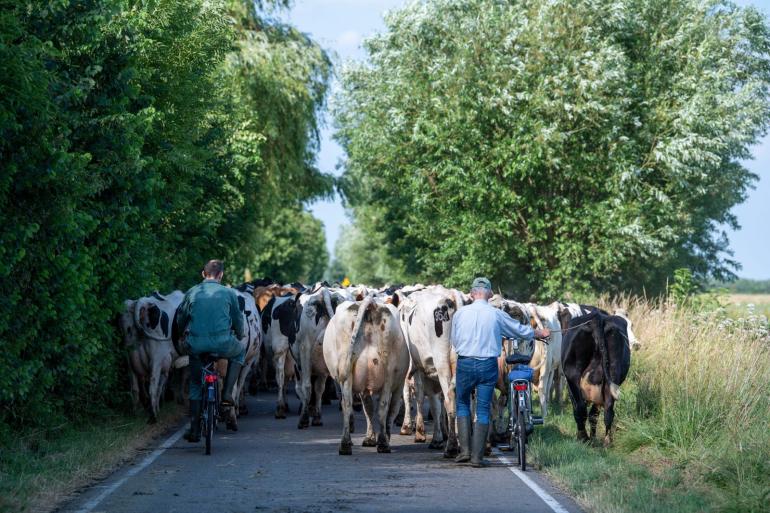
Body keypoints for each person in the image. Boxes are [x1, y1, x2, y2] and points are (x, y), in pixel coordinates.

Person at [450, 277, 550, 467]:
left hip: (464, 364)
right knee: (482, 408)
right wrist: (539, 333)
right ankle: (477, 458)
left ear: (471, 294)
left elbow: (454, 342)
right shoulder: (496, 314)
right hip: (488, 365)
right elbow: (519, 330)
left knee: (462, 404)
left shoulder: (460, 314)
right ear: (489, 294)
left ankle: (464, 451)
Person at [175, 259, 245, 442]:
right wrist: (239, 334)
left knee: (196, 384)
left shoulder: (192, 292)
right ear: (221, 275)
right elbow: (238, 320)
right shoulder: (229, 293)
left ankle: (195, 430)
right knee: (240, 352)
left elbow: (181, 319)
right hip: (224, 343)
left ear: (203, 274)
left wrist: (181, 334)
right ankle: (228, 393)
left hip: (196, 345)